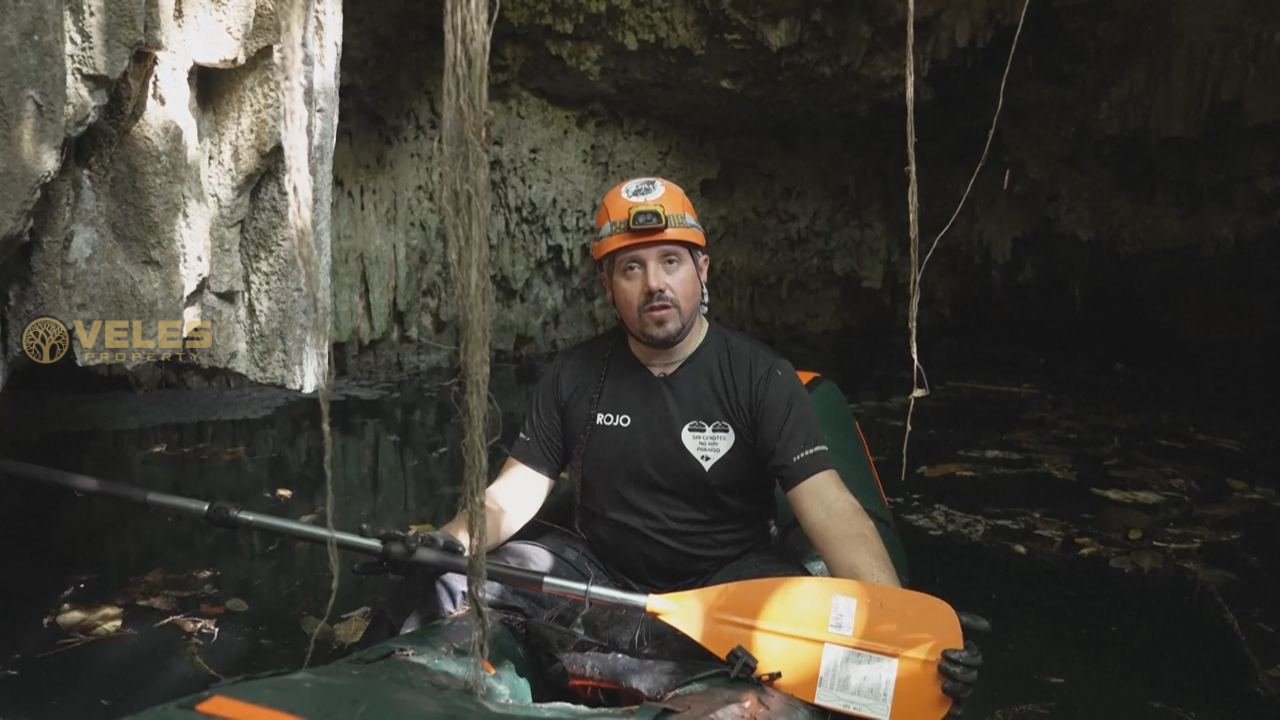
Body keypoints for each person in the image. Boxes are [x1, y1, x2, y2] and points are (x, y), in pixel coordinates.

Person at [363, 176, 983, 713]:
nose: (654, 284)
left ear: (702, 270)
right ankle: (370, 693)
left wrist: (901, 628)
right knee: (446, 579)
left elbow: (829, 508)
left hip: (731, 585)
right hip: (602, 576)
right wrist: (448, 543)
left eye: (671, 261)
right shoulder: (576, 375)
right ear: (608, 284)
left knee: (815, 626)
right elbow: (513, 492)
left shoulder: (758, 376)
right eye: (632, 267)